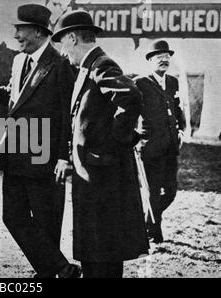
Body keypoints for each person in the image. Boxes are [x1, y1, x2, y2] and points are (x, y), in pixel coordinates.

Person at [52, 10, 149, 278]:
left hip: (103, 174)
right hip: (93, 174)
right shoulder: (89, 65)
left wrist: (113, 143)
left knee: (104, 249)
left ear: (72, 38)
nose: (63, 50)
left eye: (62, 42)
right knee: (97, 249)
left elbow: (130, 96)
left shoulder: (101, 64)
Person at [0, 4, 81, 278]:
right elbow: (14, 97)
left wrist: (64, 156)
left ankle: (50, 272)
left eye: (20, 29)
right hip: (15, 154)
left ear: (39, 32)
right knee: (12, 217)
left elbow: (68, 113)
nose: (15, 35)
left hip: (46, 159)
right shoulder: (19, 62)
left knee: (47, 221)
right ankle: (60, 269)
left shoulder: (61, 64)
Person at [134, 40, 186, 244]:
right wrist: (133, 135)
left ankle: (147, 222)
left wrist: (181, 128)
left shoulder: (173, 81)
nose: (164, 60)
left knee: (171, 192)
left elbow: (177, 106)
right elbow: (130, 110)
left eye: (167, 57)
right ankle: (153, 230)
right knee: (153, 191)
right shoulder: (140, 83)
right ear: (150, 61)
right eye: (159, 57)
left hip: (171, 146)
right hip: (150, 147)